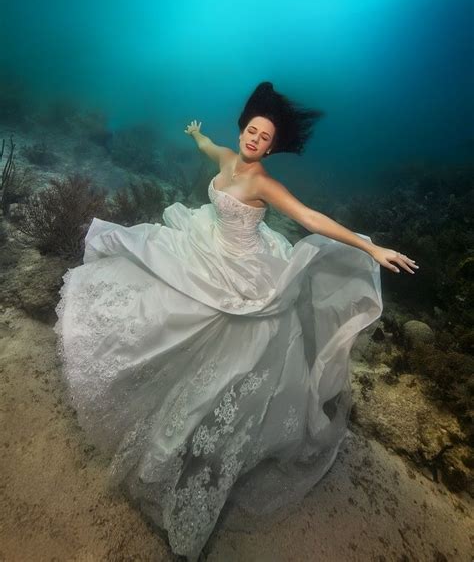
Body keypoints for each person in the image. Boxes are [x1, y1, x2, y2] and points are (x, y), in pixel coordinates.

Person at [54, 82, 418, 561]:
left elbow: (309, 217)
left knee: (227, 358)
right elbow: (210, 149)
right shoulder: (226, 155)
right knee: (156, 308)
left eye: (265, 138)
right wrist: (195, 134)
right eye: (252, 131)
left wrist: (371, 247)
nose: (255, 141)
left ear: (272, 146)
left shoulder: (263, 183)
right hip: (207, 248)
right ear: (242, 129)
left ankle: (199, 448)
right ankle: (168, 415)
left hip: (244, 274)